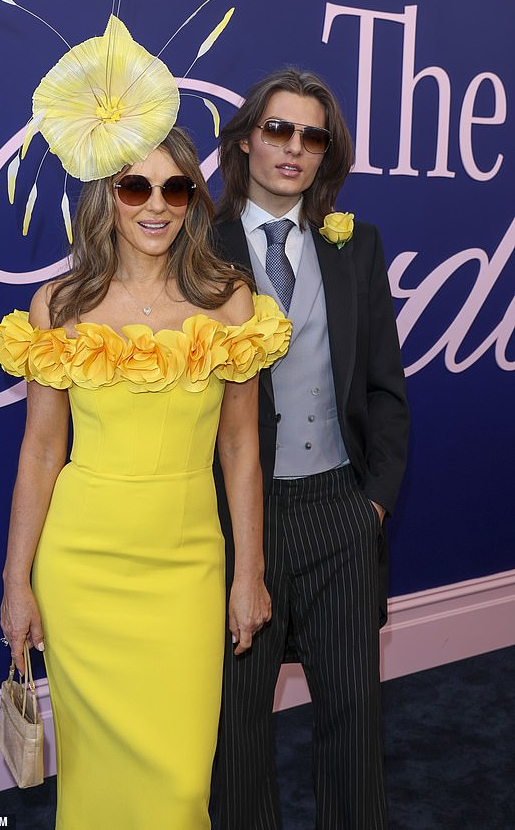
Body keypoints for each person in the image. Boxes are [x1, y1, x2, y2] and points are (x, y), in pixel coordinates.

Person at [0, 126, 291, 828]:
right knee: (96, 788)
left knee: (181, 785)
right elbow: (40, 452)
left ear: (192, 200)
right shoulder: (60, 306)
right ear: (106, 197)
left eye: (175, 187)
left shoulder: (230, 302)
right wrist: (16, 581)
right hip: (82, 569)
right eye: (135, 186)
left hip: (185, 564)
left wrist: (249, 572)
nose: (155, 205)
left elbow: (242, 448)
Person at [210, 67, 410, 830]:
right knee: (240, 732)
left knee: (355, 723)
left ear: (328, 153)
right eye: (279, 129)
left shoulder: (357, 246)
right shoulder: (199, 246)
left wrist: (374, 504)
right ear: (247, 141)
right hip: (238, 522)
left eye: (313, 135)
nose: (295, 148)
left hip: (341, 512)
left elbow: (386, 389)